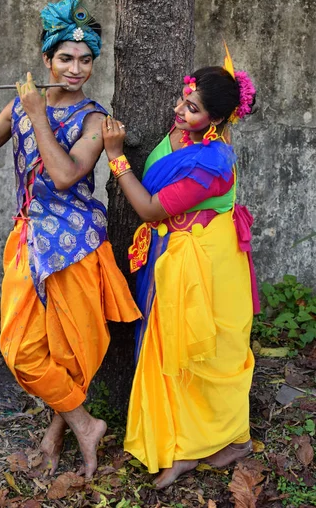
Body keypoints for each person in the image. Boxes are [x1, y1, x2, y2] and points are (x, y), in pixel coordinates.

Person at [0, 0, 141, 479]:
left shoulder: (95, 120)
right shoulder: (21, 103)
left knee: (67, 352)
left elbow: (66, 175)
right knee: (20, 349)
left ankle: (57, 435)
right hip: (29, 240)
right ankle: (85, 423)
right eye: (65, 58)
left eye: (85, 60)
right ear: (46, 59)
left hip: (77, 244)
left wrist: (38, 115)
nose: (76, 68)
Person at [101, 48, 259, 489]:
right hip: (175, 256)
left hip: (205, 264)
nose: (178, 110)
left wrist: (116, 158)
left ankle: (222, 442)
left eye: (192, 107)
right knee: (172, 348)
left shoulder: (213, 164)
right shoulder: (186, 138)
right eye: (182, 98)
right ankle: (181, 442)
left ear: (217, 120)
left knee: (204, 353)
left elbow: (151, 209)